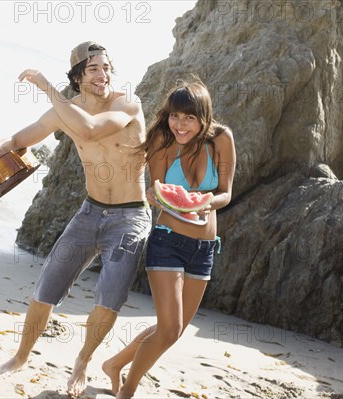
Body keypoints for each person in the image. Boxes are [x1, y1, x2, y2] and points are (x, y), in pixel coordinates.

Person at [0, 41, 151, 397]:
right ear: (77, 77)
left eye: (106, 67)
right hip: (90, 211)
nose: (103, 76)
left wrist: (45, 86)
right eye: (93, 69)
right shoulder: (64, 110)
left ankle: (83, 361)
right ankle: (20, 356)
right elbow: (19, 138)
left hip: (130, 217)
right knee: (46, 288)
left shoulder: (127, 104)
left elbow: (89, 130)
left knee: (109, 296)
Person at [102, 80, 236, 399]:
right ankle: (127, 391)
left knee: (172, 332)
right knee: (168, 328)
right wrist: (156, 197)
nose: (180, 124)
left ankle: (114, 364)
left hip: (204, 249)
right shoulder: (162, 139)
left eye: (188, 118)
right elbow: (159, 192)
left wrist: (205, 202)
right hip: (167, 241)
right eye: (175, 116)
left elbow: (226, 193)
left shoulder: (222, 139)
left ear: (204, 117)